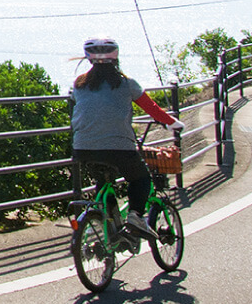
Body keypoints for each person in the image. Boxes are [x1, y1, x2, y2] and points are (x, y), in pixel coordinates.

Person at [71, 35, 183, 238]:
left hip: (82, 148)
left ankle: (109, 228)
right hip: (119, 147)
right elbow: (152, 108)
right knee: (140, 179)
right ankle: (135, 216)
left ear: (89, 59)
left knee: (103, 181)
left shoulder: (79, 84)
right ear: (115, 58)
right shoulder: (126, 84)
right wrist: (173, 123)